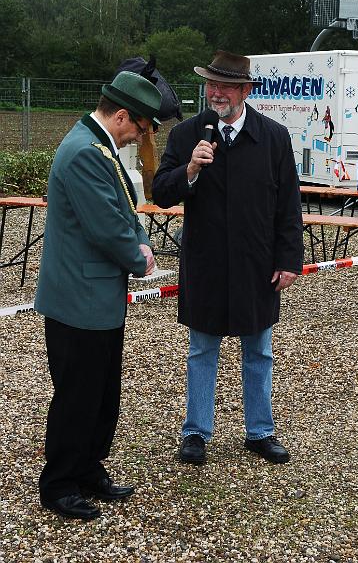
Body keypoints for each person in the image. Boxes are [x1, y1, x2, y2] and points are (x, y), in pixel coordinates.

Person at [152, 50, 304, 466]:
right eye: (211, 84)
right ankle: (196, 432)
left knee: (259, 351)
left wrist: (289, 259)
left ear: (245, 91)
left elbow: (288, 205)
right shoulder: (187, 134)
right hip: (207, 262)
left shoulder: (273, 136)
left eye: (225, 86)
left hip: (257, 263)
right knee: (202, 350)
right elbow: (160, 193)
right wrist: (189, 170)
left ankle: (260, 431)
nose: (216, 93)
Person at [35, 71, 162, 520]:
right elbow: (107, 226)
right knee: (78, 396)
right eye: (141, 128)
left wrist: (141, 241)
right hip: (79, 300)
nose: (140, 137)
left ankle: (88, 468)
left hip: (96, 297)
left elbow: (126, 209)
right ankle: (59, 484)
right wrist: (139, 258)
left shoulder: (97, 146)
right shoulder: (84, 154)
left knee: (102, 393)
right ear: (122, 115)